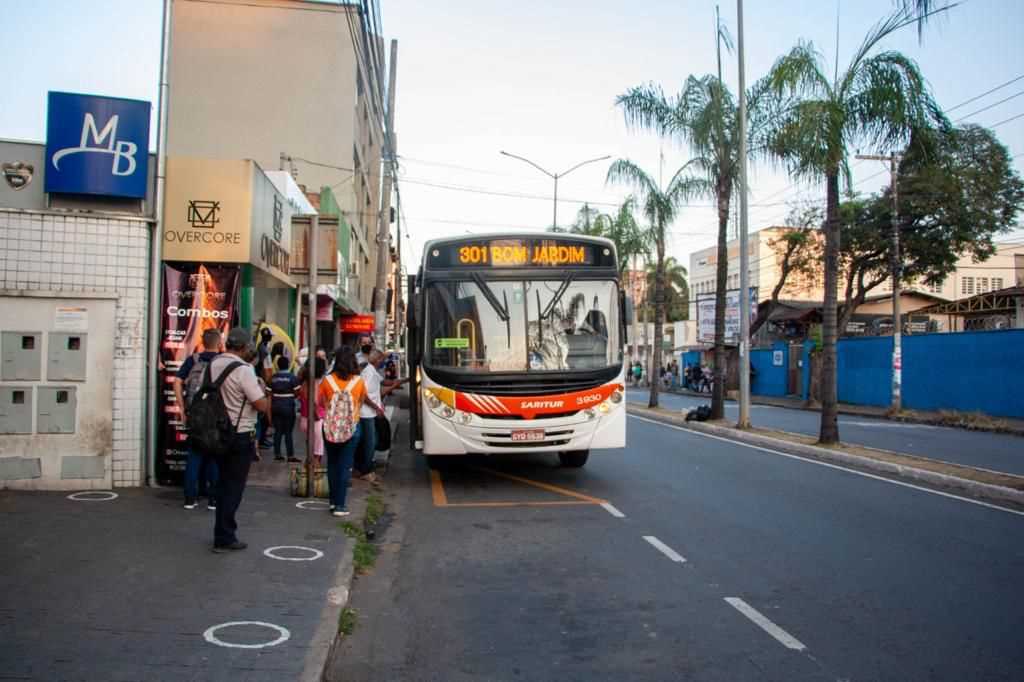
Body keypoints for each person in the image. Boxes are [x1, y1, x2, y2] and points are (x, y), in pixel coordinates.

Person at [209, 327, 271, 553]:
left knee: (223, 484)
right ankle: (225, 537)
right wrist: (265, 392)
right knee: (233, 487)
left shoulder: (214, 363)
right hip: (238, 434)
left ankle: (221, 532)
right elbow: (260, 404)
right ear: (245, 348)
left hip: (215, 432)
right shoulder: (244, 370)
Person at [174, 328, 223, 511]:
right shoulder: (223, 361)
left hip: (195, 414)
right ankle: (214, 500)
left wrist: (182, 407)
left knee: (194, 457)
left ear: (202, 342)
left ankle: (189, 499)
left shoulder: (192, 360)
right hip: (216, 416)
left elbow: (177, 381)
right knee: (214, 457)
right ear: (219, 343)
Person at [317, 346, 367, 517]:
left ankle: (332, 502)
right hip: (352, 428)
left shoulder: (326, 381)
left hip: (330, 427)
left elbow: (321, 403)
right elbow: (360, 402)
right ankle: (340, 505)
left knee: (332, 464)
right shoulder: (358, 382)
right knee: (345, 466)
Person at [355, 349, 401, 483]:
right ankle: (366, 471)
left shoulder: (372, 371)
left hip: (369, 413)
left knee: (368, 441)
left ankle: (361, 467)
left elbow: (383, 382)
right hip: (366, 413)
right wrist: (376, 407)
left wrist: (400, 382)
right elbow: (364, 395)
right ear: (376, 360)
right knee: (370, 442)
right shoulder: (369, 373)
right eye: (381, 359)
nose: (383, 362)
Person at [269, 355, 301, 462]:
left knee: (277, 431)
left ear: (277, 365)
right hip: (288, 407)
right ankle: (290, 455)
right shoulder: (292, 377)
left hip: (275, 407)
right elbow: (297, 392)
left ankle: (277, 454)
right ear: (288, 365)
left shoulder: (273, 377)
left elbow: (267, 392)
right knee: (288, 432)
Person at [297, 355, 327, 464]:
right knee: (317, 453)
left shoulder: (305, 382)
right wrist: (317, 415)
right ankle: (314, 477)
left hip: (305, 419)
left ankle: (309, 473)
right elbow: (314, 402)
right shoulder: (316, 383)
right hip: (315, 421)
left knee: (310, 450)